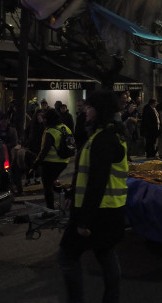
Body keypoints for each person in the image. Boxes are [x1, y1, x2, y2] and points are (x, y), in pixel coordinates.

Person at [59, 90, 127, 303]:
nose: (85, 111)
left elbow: (97, 181)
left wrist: (84, 220)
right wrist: (72, 193)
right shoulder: (102, 136)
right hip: (107, 210)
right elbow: (86, 173)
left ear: (100, 111)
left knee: (68, 256)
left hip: (98, 212)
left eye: (90, 107)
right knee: (106, 255)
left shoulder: (103, 139)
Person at [32, 108, 73, 210]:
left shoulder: (50, 131)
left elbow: (44, 151)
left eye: (45, 118)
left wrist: (35, 164)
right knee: (53, 182)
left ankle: (50, 209)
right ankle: (67, 194)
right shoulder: (65, 128)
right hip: (64, 162)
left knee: (48, 187)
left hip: (50, 163)